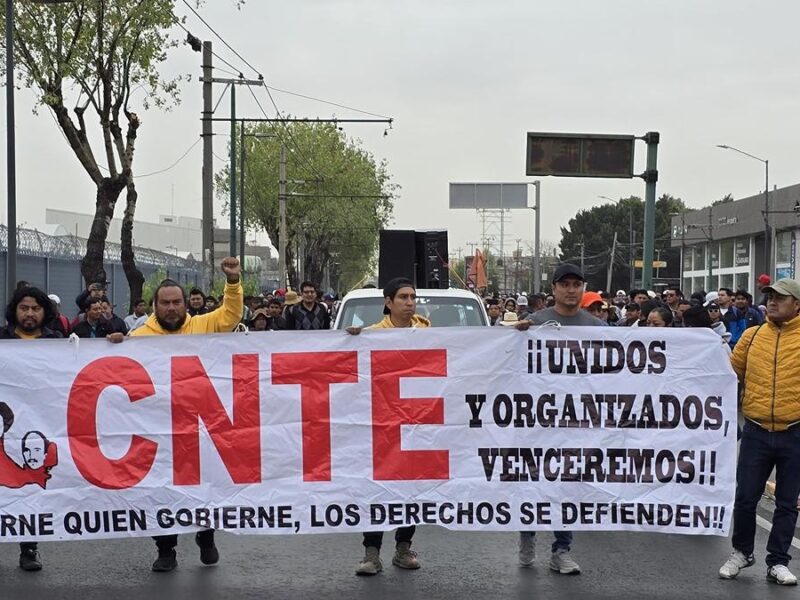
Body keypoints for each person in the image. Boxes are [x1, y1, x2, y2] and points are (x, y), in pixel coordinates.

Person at [131, 258, 243, 572]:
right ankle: (166, 549)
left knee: (203, 486)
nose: (171, 308)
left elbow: (231, 315)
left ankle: (205, 537)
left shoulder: (203, 325)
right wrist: (113, 347)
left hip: (201, 429)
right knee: (161, 491)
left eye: (176, 302)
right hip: (158, 430)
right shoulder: (138, 339)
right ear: (154, 306)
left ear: (185, 305)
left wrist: (232, 283)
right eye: (165, 303)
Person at [1, 287, 119, 571]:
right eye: (24, 308)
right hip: (9, 421)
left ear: (45, 312)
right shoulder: (2, 340)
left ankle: (29, 548)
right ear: (15, 311)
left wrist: (113, 342)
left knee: (29, 488)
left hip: (40, 425)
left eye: (35, 308)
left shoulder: (59, 342)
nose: (30, 313)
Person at [515, 264, 602, 575]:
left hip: (576, 422)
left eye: (576, 284)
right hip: (535, 421)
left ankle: (562, 549)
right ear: (553, 289)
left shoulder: (596, 327)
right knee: (532, 482)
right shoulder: (534, 323)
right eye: (564, 284)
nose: (570, 289)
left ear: (583, 288)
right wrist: (514, 335)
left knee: (567, 486)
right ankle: (527, 534)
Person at [719, 278, 800, 585]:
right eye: (770, 296)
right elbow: (726, 374)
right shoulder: (752, 338)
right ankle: (741, 552)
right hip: (755, 430)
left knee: (787, 502)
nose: (773, 301)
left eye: (781, 297)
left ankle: (778, 561)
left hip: (795, 432)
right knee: (745, 498)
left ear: (797, 305)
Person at [345, 277, 428, 576]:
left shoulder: (429, 332)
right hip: (380, 427)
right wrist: (351, 340)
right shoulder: (371, 336)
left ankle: (404, 548)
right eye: (403, 297)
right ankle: (371, 553)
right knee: (376, 489)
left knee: (410, 489)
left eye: (413, 297)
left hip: (416, 425)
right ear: (388, 302)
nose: (409, 302)